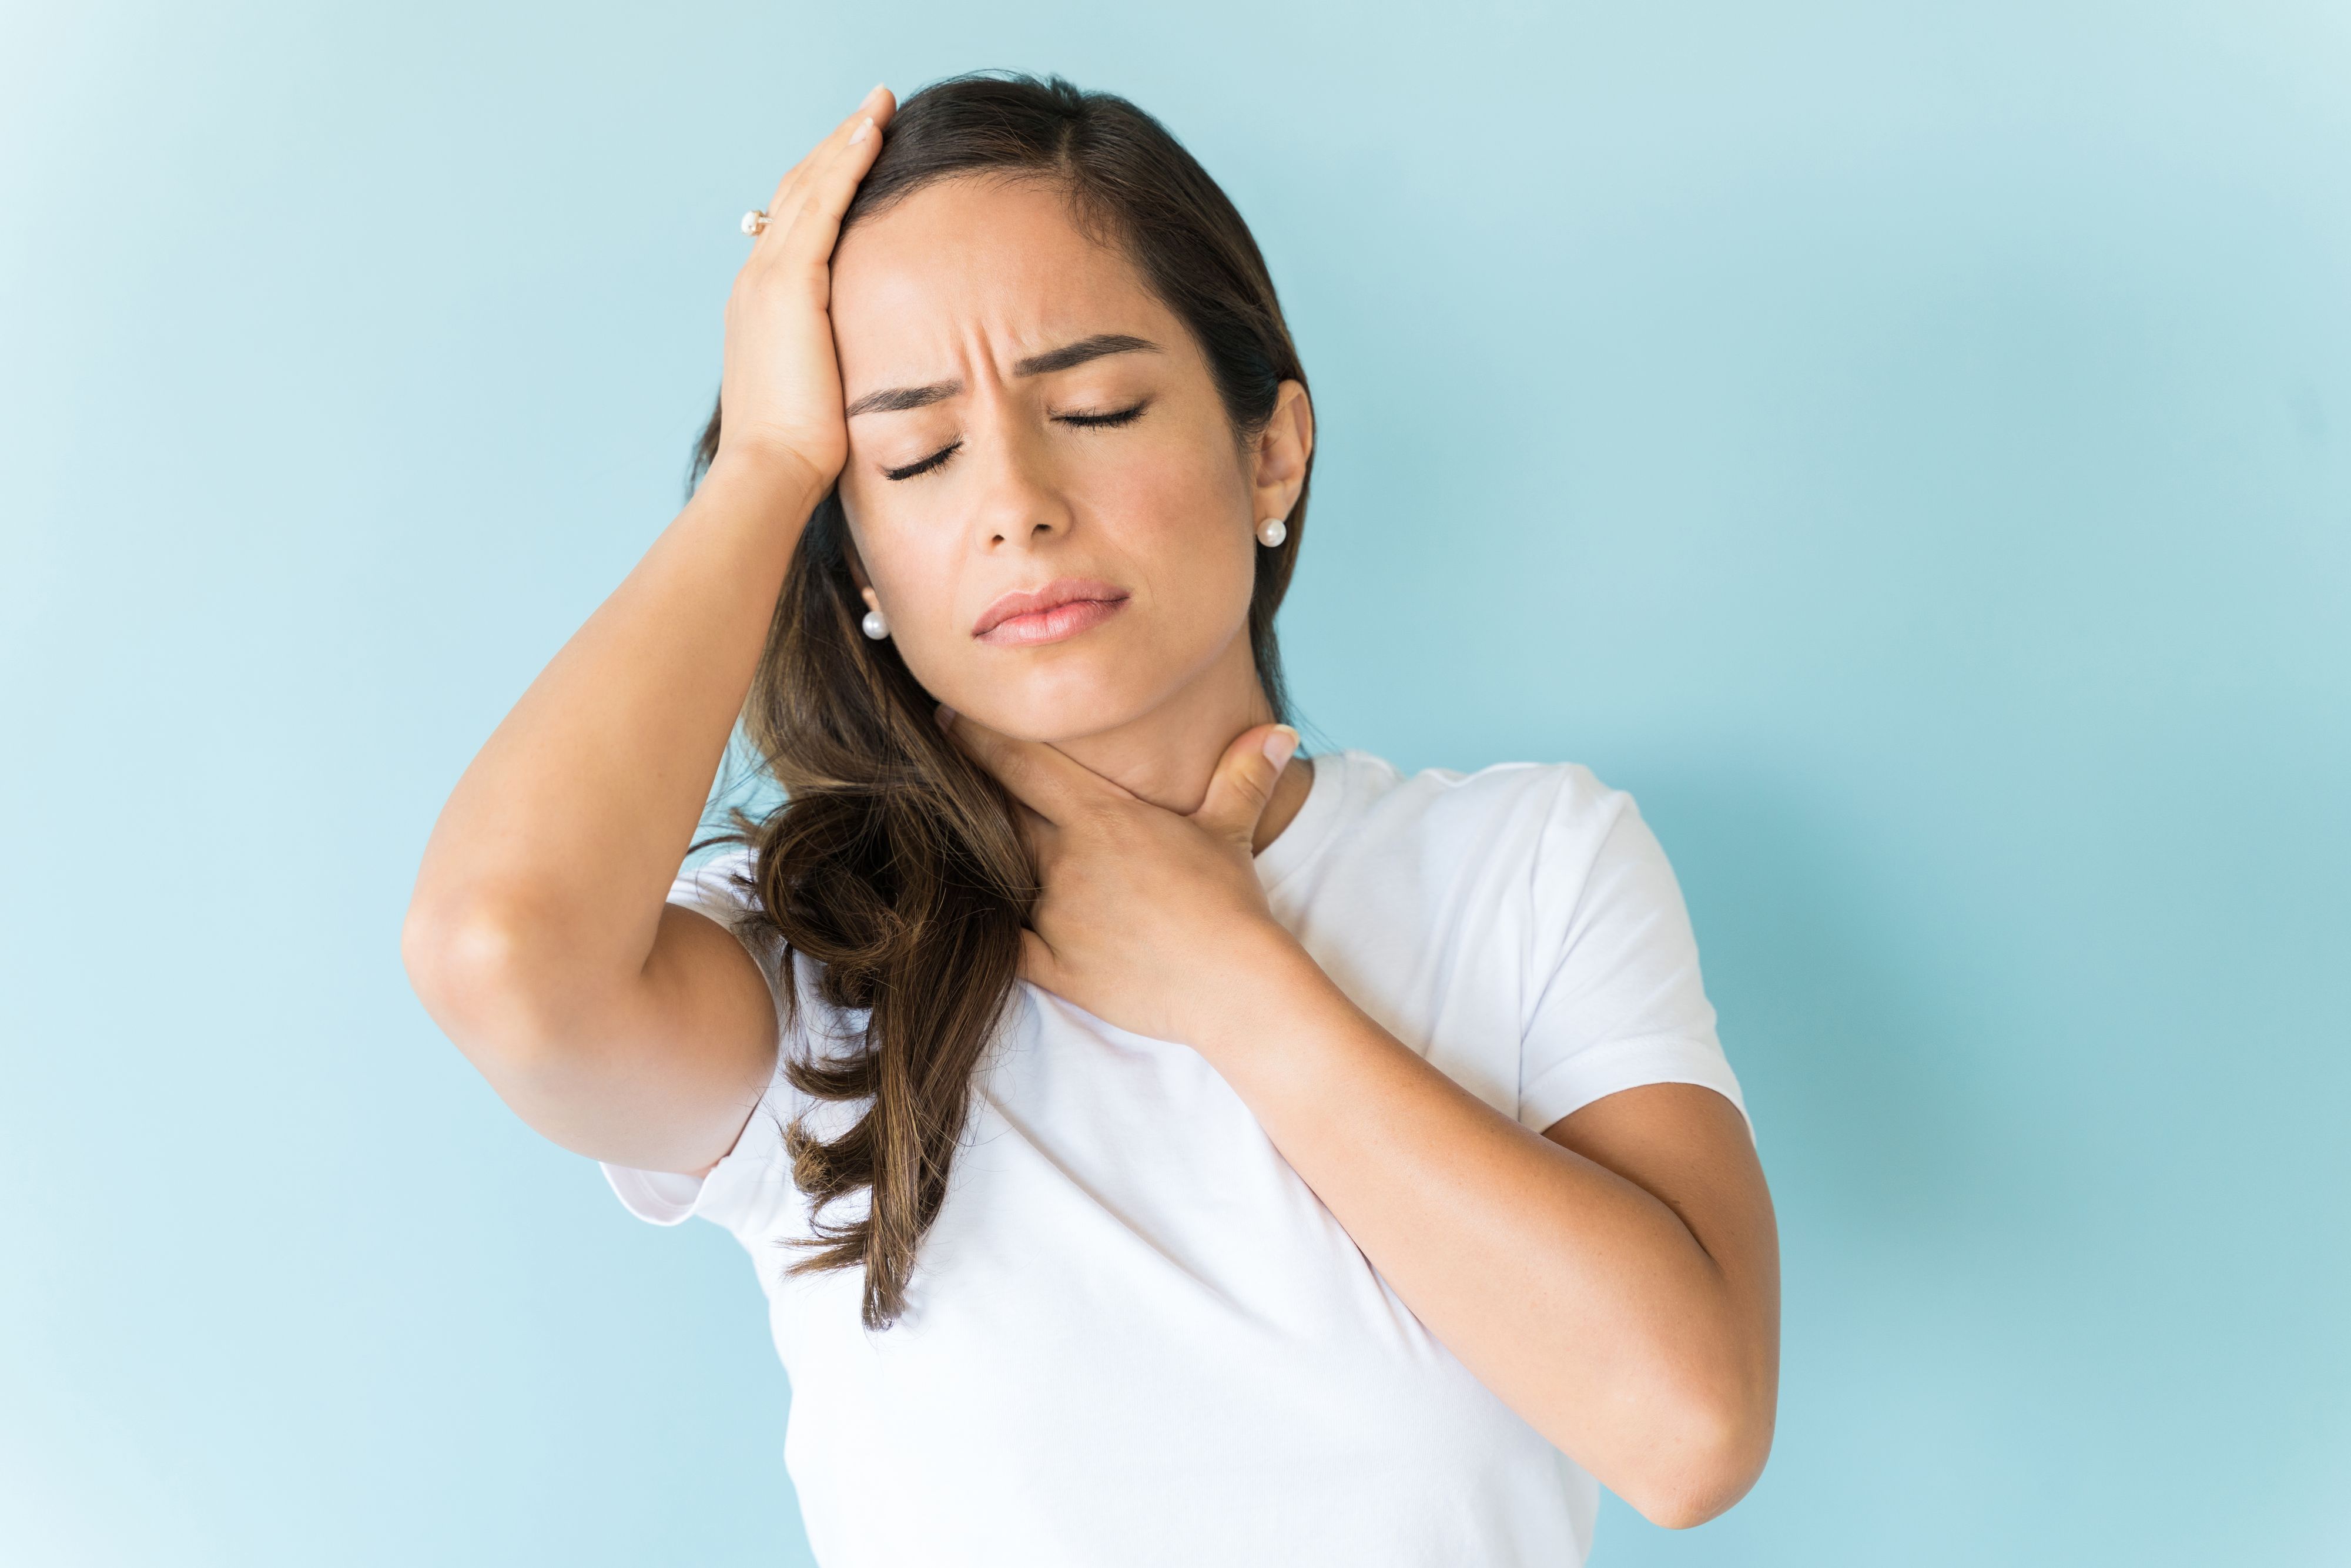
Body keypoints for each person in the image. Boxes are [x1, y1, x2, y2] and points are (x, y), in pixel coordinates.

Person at [402, 71, 1779, 1567]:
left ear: (1271, 447)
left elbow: (1686, 1429)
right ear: (855, 558)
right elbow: (498, 950)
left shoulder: (1527, 867)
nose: (1016, 502)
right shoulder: (813, 964)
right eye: (913, 455)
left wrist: (1229, 976)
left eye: (1093, 407)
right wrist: (765, 463)